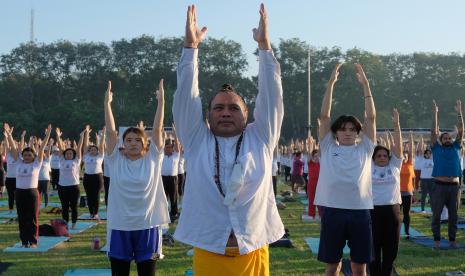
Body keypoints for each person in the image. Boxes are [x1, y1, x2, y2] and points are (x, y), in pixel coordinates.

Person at [173, 4, 284, 275]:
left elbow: (271, 95)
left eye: (234, 108)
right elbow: (186, 97)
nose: (225, 112)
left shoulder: (261, 138)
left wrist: (265, 47)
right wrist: (190, 49)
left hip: (253, 247)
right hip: (210, 248)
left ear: (248, 115)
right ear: (207, 115)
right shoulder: (198, 139)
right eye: (218, 108)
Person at [314, 62, 376, 276]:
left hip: (360, 211)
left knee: (360, 266)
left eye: (352, 129)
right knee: (333, 265)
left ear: (357, 133)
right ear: (336, 133)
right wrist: (331, 83)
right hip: (333, 211)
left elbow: (370, 118)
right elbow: (324, 117)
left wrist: (365, 85)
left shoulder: (366, 148)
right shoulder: (328, 146)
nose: (347, 132)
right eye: (342, 129)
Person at [105, 79, 170, 276]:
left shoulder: (153, 158)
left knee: (147, 273)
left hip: (148, 224)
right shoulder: (116, 159)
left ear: (145, 143)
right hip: (119, 224)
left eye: (137, 140)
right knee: (119, 273)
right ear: (123, 143)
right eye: (129, 140)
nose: (133, 143)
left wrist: (161, 102)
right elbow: (110, 131)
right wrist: (107, 104)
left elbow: (158, 130)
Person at [4, 123, 51, 248]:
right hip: (19, 192)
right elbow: (14, 148)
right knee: (22, 217)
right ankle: (24, 241)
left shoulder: (36, 164)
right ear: (22, 156)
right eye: (25, 155)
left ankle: (33, 241)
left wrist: (47, 136)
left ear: (33, 156)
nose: (27, 156)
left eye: (29, 155)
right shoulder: (18, 162)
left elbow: (41, 150)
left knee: (32, 218)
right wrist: (9, 135)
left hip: (32, 193)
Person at [370, 109, 403, 276]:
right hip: (373, 212)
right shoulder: (368, 168)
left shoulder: (395, 166)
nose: (382, 157)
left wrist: (396, 125)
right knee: (374, 250)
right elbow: (368, 144)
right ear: (373, 158)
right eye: (379, 155)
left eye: (385, 155)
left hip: (392, 212)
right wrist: (370, 122)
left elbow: (398, 147)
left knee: (391, 251)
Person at [430, 99, 463, 248]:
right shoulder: (436, 148)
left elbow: (461, 130)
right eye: (445, 138)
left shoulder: (456, 147)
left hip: (454, 187)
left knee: (453, 216)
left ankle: (452, 240)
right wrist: (435, 113)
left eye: (450, 137)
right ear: (441, 140)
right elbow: (433, 132)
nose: (448, 139)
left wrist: (459, 113)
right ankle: (437, 240)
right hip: (439, 186)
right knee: (436, 215)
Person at [55, 127, 84, 230]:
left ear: (73, 155)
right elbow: (60, 146)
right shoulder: (62, 160)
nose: (68, 154)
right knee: (64, 207)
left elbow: (79, 147)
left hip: (74, 187)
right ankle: (65, 224)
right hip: (62, 187)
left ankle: (74, 223)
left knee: (74, 206)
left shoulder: (76, 161)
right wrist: (58, 136)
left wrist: (82, 137)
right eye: (67, 153)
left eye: (71, 153)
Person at [82, 126, 105, 220]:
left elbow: (101, 145)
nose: (93, 151)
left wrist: (103, 135)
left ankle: (96, 213)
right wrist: (87, 133)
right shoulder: (86, 156)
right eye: (91, 150)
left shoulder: (100, 156)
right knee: (89, 195)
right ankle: (91, 212)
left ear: (97, 151)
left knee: (96, 195)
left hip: (97, 177)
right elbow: (85, 146)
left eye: (95, 150)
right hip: (87, 177)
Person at [161, 128, 180, 221]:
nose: (168, 149)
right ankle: (163, 213)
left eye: (170, 147)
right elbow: (159, 146)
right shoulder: (161, 155)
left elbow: (177, 145)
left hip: (173, 178)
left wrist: (175, 134)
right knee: (163, 197)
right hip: (163, 178)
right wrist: (163, 137)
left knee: (174, 196)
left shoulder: (176, 155)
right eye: (167, 147)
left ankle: (174, 213)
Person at [400, 133, 415, 238]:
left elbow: (411, 152)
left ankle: (407, 230)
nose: (404, 157)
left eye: (405, 156)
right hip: (397, 193)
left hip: (408, 193)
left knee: (406, 213)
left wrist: (410, 139)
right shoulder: (396, 165)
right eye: (402, 156)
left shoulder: (409, 164)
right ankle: (393, 230)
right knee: (396, 214)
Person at [307, 136, 321, 219]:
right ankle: (312, 215)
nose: (316, 158)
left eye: (317, 156)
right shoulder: (310, 163)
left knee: (319, 200)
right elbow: (309, 153)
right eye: (314, 156)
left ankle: (320, 214)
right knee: (311, 200)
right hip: (311, 184)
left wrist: (319, 143)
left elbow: (321, 152)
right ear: (312, 157)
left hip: (319, 184)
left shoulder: (321, 163)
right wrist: (310, 145)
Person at [38, 140, 53, 208]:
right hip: (38, 180)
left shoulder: (47, 160)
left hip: (46, 179)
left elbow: (48, 151)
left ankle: (46, 204)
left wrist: (49, 144)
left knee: (46, 192)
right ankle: (38, 203)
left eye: (44, 155)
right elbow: (38, 151)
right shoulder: (37, 161)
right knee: (38, 193)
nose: (42, 155)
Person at [419, 148, 434, 213]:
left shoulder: (433, 160)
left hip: (431, 180)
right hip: (424, 179)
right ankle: (422, 209)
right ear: (424, 154)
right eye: (427, 153)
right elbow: (420, 149)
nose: (428, 155)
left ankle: (433, 209)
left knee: (432, 195)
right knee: (424, 195)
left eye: (429, 153)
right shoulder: (422, 160)